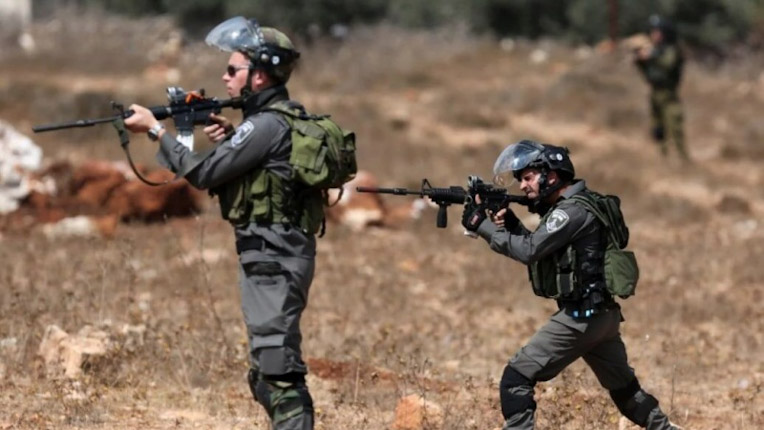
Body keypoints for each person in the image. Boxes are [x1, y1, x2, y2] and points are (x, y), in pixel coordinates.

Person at [124, 17, 319, 430]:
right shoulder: (274, 119)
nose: (225, 78)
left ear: (259, 75)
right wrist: (233, 137)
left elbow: (203, 173)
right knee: (265, 372)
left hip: (274, 258)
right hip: (272, 254)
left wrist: (156, 131)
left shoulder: (266, 125)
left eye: (233, 70)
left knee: (277, 374)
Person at [461, 140, 680, 430]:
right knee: (626, 391)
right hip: (602, 317)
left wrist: (482, 225)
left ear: (551, 176)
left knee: (516, 379)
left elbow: (528, 251)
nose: (523, 186)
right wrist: (511, 224)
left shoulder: (570, 212)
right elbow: (543, 248)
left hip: (580, 319)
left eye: (527, 178)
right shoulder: (580, 204)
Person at [634, 14, 688, 161]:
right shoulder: (655, 50)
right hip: (655, 93)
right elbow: (648, 74)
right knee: (658, 129)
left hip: (669, 94)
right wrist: (640, 60)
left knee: (675, 127)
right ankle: (663, 157)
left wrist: (652, 55)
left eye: (657, 32)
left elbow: (668, 64)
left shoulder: (672, 49)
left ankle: (683, 159)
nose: (654, 35)